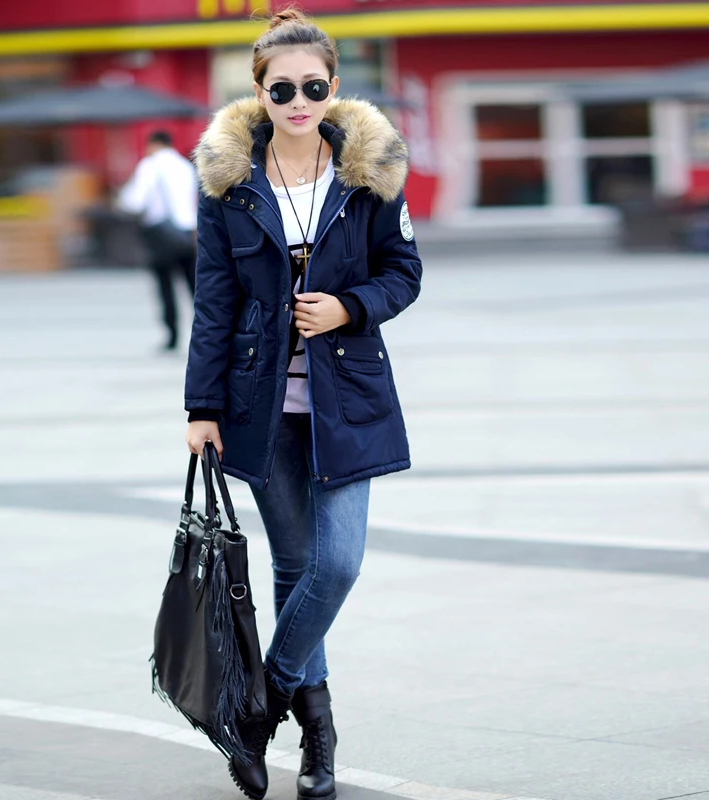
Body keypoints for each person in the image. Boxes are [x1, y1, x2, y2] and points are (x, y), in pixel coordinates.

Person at [185, 8, 422, 800]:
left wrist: (350, 306)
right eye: (281, 88)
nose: (297, 101)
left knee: (337, 563)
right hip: (258, 404)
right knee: (293, 567)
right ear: (258, 91)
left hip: (346, 398)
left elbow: (404, 272)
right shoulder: (227, 182)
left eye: (312, 87)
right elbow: (214, 301)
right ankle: (319, 738)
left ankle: (258, 706)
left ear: (334, 86)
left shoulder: (371, 170)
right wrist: (201, 407)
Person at [118, 130, 198, 351]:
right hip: (188, 233)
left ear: (153, 144)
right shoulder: (185, 166)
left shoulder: (150, 166)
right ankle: (205, 332)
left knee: (166, 288)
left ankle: (172, 336)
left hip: (162, 235)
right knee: (195, 288)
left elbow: (135, 201)